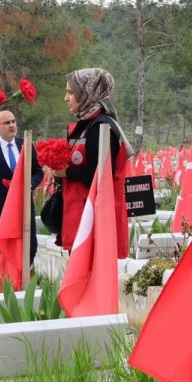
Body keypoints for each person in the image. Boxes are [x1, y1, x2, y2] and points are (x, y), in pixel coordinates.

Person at [50, 68, 130, 258]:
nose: (66, 98)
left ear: (87, 93)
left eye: (70, 92)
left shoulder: (101, 127)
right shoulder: (86, 124)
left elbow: (100, 175)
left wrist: (66, 172)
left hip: (94, 220)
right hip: (81, 216)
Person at [0, 111, 42, 260]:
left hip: (24, 207)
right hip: (1, 209)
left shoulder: (25, 145)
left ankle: (26, 281)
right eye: (7, 123)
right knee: (5, 252)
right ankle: (6, 282)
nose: (12, 125)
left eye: (13, 121)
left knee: (30, 248)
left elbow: (38, 172)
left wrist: (29, 184)